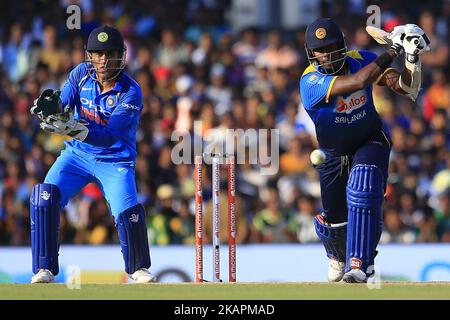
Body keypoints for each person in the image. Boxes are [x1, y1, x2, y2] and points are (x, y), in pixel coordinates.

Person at [300, 18, 429, 283]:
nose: (326, 54)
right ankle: (338, 255)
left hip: (369, 139)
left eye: (332, 46)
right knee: (335, 220)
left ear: (343, 45)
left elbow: (404, 87)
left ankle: (361, 264)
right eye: (320, 50)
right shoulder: (310, 82)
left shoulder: (362, 58)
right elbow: (359, 82)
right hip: (333, 153)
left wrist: (411, 57)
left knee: (363, 187)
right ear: (311, 53)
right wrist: (393, 50)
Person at [29, 25, 154, 283]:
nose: (104, 60)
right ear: (90, 56)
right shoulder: (80, 74)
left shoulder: (131, 91)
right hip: (77, 156)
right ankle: (45, 268)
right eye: (98, 54)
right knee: (44, 197)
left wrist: (74, 128)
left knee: (126, 211)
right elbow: (64, 99)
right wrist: (53, 108)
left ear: (121, 55)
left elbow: (109, 136)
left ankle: (138, 268)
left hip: (115, 159)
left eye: (110, 54)